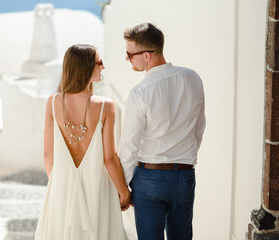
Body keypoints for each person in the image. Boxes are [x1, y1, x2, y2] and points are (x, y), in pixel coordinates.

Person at [119, 23, 206, 240]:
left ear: (146, 55)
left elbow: (129, 146)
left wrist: (123, 189)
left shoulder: (140, 92)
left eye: (129, 55)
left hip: (150, 177)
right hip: (185, 175)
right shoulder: (193, 78)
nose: (127, 59)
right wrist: (186, 158)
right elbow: (199, 127)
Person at [35, 44, 130, 240]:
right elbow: (109, 157)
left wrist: (59, 185)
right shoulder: (106, 106)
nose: (103, 67)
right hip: (97, 188)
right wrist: (124, 192)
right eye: (99, 62)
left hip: (61, 186)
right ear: (85, 67)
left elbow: (47, 153)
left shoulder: (52, 102)